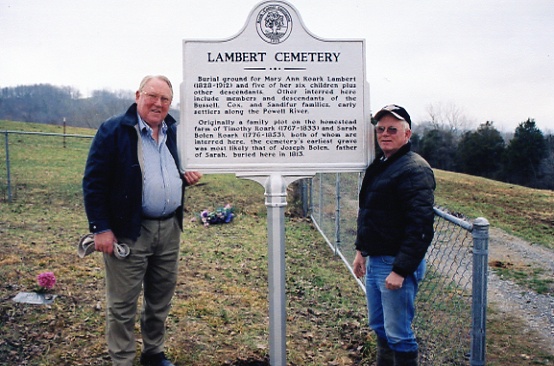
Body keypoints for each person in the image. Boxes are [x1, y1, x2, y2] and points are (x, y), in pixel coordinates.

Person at [83, 75, 202, 366]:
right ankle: (122, 359)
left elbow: (171, 173)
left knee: (160, 298)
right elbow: (94, 182)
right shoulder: (114, 130)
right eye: (153, 96)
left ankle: (153, 353)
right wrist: (101, 228)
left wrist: (187, 178)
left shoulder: (175, 131)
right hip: (129, 230)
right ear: (138, 95)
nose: (158, 104)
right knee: (123, 304)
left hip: (169, 228)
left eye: (165, 99)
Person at [353, 104, 435, 366]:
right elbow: (368, 212)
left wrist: (400, 270)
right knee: (379, 325)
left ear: (407, 134)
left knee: (399, 334)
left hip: (394, 263)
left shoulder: (414, 170)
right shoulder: (381, 165)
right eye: (380, 129)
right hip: (376, 260)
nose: (385, 134)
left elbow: (420, 226)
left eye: (392, 129)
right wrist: (360, 251)